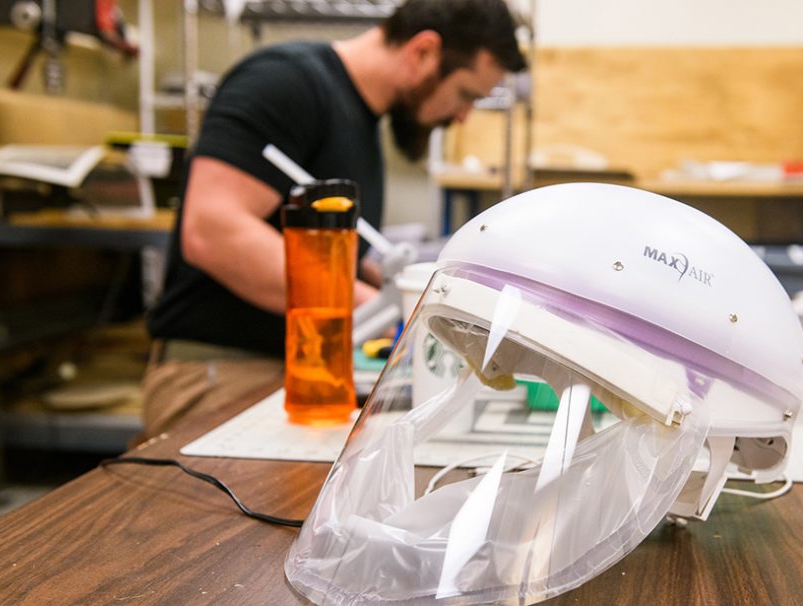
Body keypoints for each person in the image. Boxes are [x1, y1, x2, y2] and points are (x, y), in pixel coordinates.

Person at [141, 0, 527, 439]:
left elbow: (336, 255)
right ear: (423, 52)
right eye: (466, 95)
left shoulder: (358, 120)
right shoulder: (285, 82)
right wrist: (385, 313)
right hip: (220, 372)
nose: (462, 117)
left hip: (293, 373)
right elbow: (211, 230)